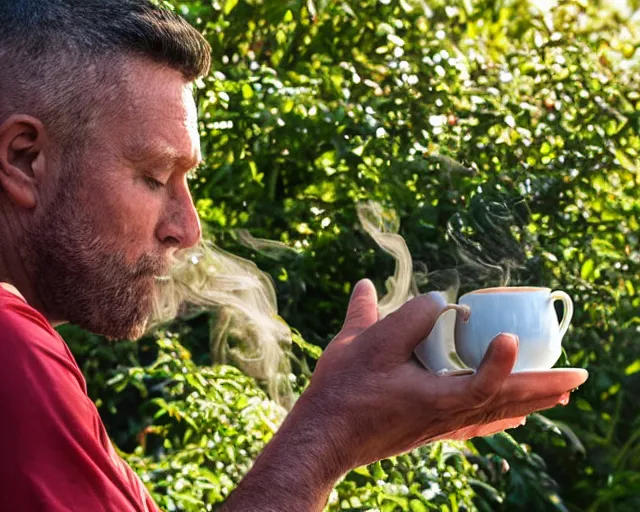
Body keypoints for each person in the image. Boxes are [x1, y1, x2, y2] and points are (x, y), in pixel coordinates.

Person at [0, 1, 587, 511]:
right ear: (25, 159)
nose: (188, 228)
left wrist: (352, 433)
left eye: (187, 180)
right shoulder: (11, 346)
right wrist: (328, 434)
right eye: (154, 177)